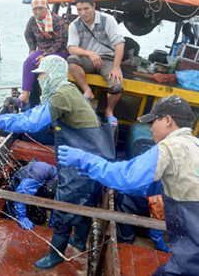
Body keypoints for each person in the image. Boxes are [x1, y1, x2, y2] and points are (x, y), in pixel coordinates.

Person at [0, 55, 115, 269]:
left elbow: (33, 122)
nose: (39, 79)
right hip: (95, 157)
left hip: (81, 161)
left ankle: (57, 254)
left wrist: (0, 121)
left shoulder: (61, 94)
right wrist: (7, 119)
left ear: (53, 74)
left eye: (42, 74)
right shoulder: (68, 90)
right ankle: (79, 240)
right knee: (86, 202)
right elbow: (35, 113)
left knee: (63, 206)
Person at [58, 95, 198, 275]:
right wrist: (99, 175)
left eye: (153, 122)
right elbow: (151, 186)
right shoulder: (194, 145)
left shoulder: (171, 147)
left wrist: (87, 161)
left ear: (168, 120)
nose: (151, 129)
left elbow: (127, 177)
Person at [67, 0, 125, 127]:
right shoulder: (74, 25)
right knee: (72, 61)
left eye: (86, 9)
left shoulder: (108, 20)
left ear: (94, 6)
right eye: (79, 10)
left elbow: (120, 44)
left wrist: (116, 68)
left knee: (117, 84)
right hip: (87, 59)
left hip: (108, 59)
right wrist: (89, 53)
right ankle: (87, 90)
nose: (83, 13)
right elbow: (72, 48)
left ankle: (109, 110)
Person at [21, 0, 68, 108]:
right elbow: (27, 35)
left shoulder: (57, 20)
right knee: (28, 62)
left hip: (59, 51)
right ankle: (26, 95)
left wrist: (45, 55)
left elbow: (60, 42)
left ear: (46, 7)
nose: (37, 11)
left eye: (40, 8)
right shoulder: (32, 21)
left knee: (45, 63)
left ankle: (48, 100)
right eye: (35, 9)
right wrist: (32, 49)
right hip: (41, 50)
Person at [5, 160, 58, 230]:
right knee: (13, 221)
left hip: (38, 191)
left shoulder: (64, 187)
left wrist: (53, 228)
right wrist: (21, 217)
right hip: (19, 189)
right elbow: (20, 195)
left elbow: (57, 208)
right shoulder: (41, 170)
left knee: (40, 219)